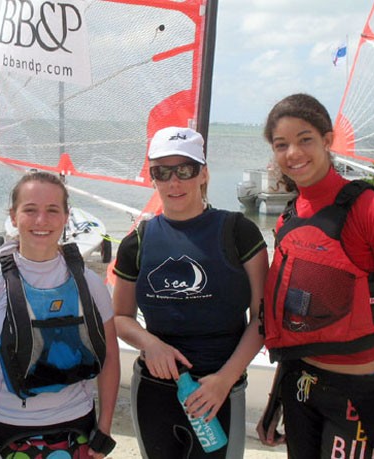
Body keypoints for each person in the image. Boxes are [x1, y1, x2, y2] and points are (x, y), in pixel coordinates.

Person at [256, 93, 374, 459]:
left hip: (356, 392)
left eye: (305, 140)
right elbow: (294, 327)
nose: (293, 154)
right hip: (299, 387)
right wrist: (275, 403)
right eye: (281, 145)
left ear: (328, 141)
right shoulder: (288, 220)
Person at [112, 126, 269, 458]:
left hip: (220, 391)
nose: (174, 182)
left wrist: (225, 380)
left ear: (203, 174)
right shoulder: (137, 242)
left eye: (185, 170)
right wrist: (150, 343)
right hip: (154, 392)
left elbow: (262, 319)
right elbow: (121, 318)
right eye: (162, 172)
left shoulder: (239, 233)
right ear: (152, 177)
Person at [0, 171, 119, 459]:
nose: (41, 221)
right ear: (13, 217)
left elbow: (111, 358)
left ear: (67, 217)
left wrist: (103, 429)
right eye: (30, 210)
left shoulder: (90, 284)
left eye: (52, 210)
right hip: (4, 426)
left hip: (76, 423)